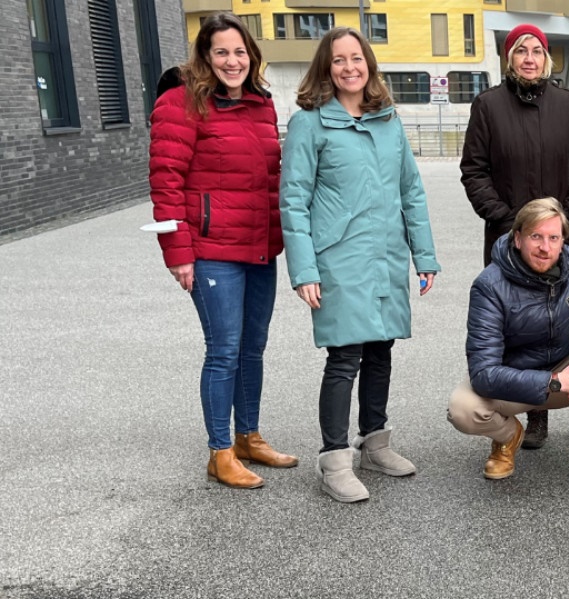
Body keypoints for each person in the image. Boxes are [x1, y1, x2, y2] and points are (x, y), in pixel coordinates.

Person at [281, 27, 440, 503]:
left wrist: (424, 255)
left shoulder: (388, 120)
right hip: (338, 258)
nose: (349, 67)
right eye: (338, 60)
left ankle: (375, 441)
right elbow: (293, 200)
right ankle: (334, 459)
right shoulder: (309, 123)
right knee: (344, 356)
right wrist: (304, 270)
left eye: (356, 58)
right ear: (325, 68)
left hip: (385, 255)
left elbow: (411, 190)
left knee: (380, 350)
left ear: (369, 63)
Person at [149, 13, 297, 489]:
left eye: (239, 52)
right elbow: (165, 183)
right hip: (211, 251)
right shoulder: (180, 104)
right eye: (221, 52)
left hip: (259, 248)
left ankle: (248, 436)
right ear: (205, 57)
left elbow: (270, 179)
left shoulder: (261, 105)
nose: (232, 61)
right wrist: (178, 253)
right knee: (224, 351)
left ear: (250, 56)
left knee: (253, 349)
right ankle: (219, 452)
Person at [460, 23, 569, 451]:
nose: (529, 58)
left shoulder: (567, 103)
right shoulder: (487, 106)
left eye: (536, 50)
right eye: (521, 50)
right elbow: (474, 171)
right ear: (509, 58)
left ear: (547, 58)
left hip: (564, 242)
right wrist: (506, 224)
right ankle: (533, 413)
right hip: (510, 244)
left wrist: (567, 220)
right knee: (522, 332)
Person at [447, 198, 569, 493]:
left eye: (554, 238)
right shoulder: (488, 285)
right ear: (518, 238)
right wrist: (555, 382)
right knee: (463, 409)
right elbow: (484, 373)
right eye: (535, 236)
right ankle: (508, 436)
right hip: (515, 386)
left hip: (567, 371)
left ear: (563, 240)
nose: (545, 247)